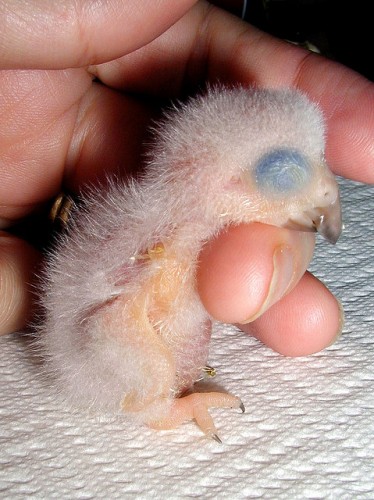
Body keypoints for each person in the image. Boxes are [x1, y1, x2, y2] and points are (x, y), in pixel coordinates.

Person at [0, 0, 373, 356]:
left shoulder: (167, 227)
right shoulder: (152, 240)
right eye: (280, 175)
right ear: (216, 180)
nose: (326, 188)